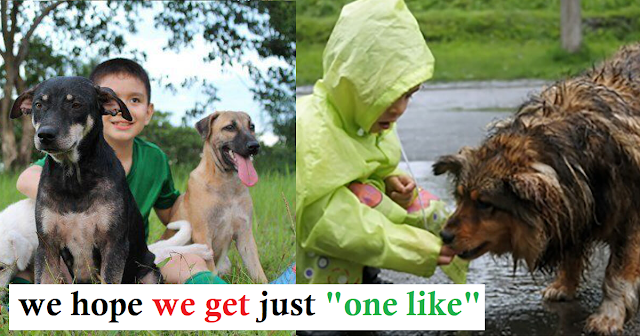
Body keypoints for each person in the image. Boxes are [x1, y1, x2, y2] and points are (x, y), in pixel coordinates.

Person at [14, 58, 294, 285]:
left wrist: (209, 192)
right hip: (70, 255)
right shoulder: (63, 159)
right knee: (28, 258)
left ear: (146, 112)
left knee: (190, 261)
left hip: (135, 256)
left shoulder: (155, 158)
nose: (125, 108)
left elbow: (173, 211)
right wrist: (80, 199)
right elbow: (26, 179)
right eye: (42, 107)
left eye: (135, 100)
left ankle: (238, 301)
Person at [296, 0, 466, 284]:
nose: (399, 108)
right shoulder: (311, 129)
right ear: (354, 82)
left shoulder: (371, 122)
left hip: (357, 268)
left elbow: (366, 176)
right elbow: (325, 220)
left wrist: (388, 184)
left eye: (408, 94)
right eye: (388, 95)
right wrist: (411, 246)